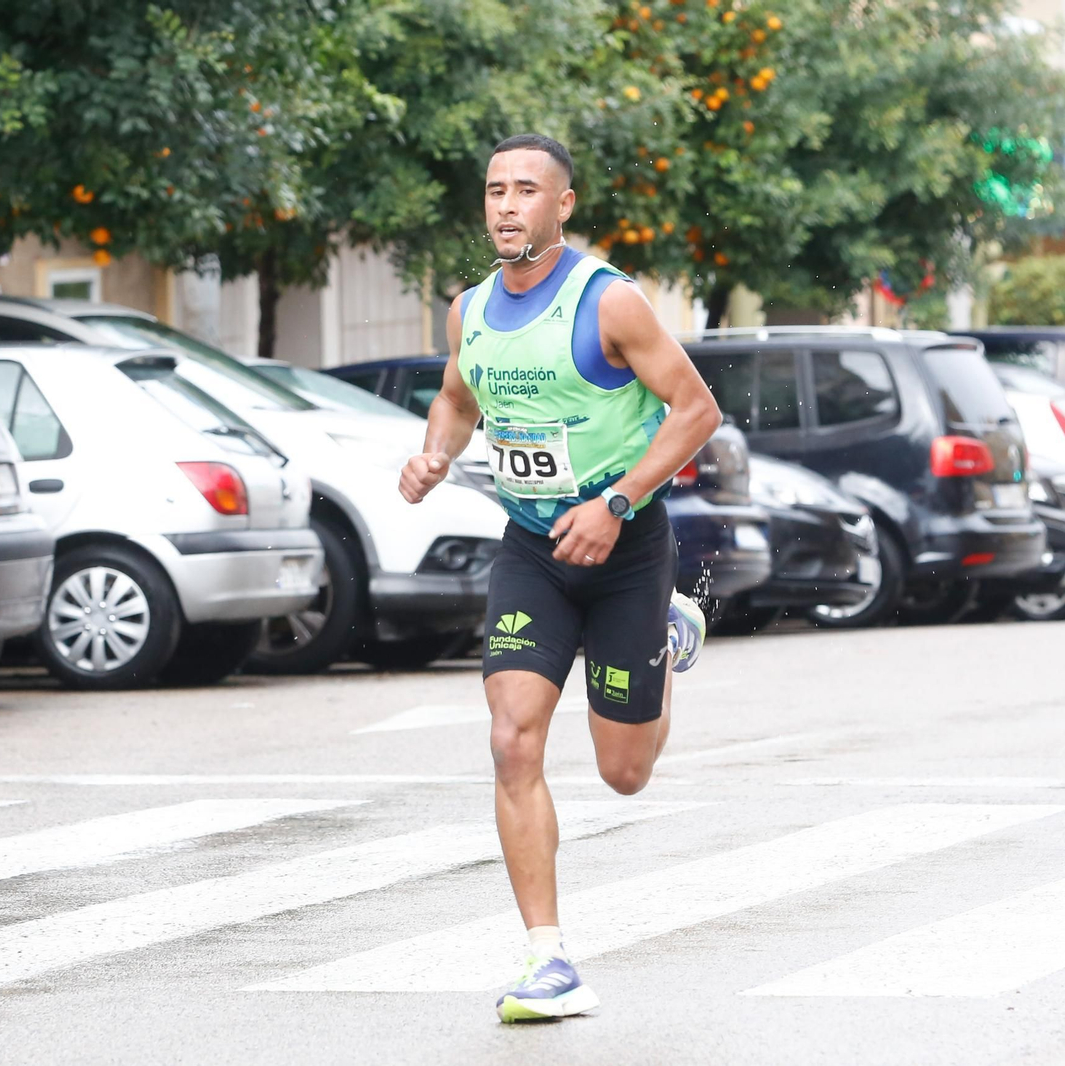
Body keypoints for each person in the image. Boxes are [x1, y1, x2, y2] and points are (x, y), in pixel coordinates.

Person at [397, 133, 722, 1023]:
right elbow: (460, 401)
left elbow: (696, 410)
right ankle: (549, 959)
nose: (507, 205)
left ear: (562, 205)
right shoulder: (469, 310)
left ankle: (663, 632)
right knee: (511, 738)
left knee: (625, 773)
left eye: (526, 190)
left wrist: (615, 502)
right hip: (533, 547)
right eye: (495, 190)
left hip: (625, 549)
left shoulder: (609, 302)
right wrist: (434, 454)